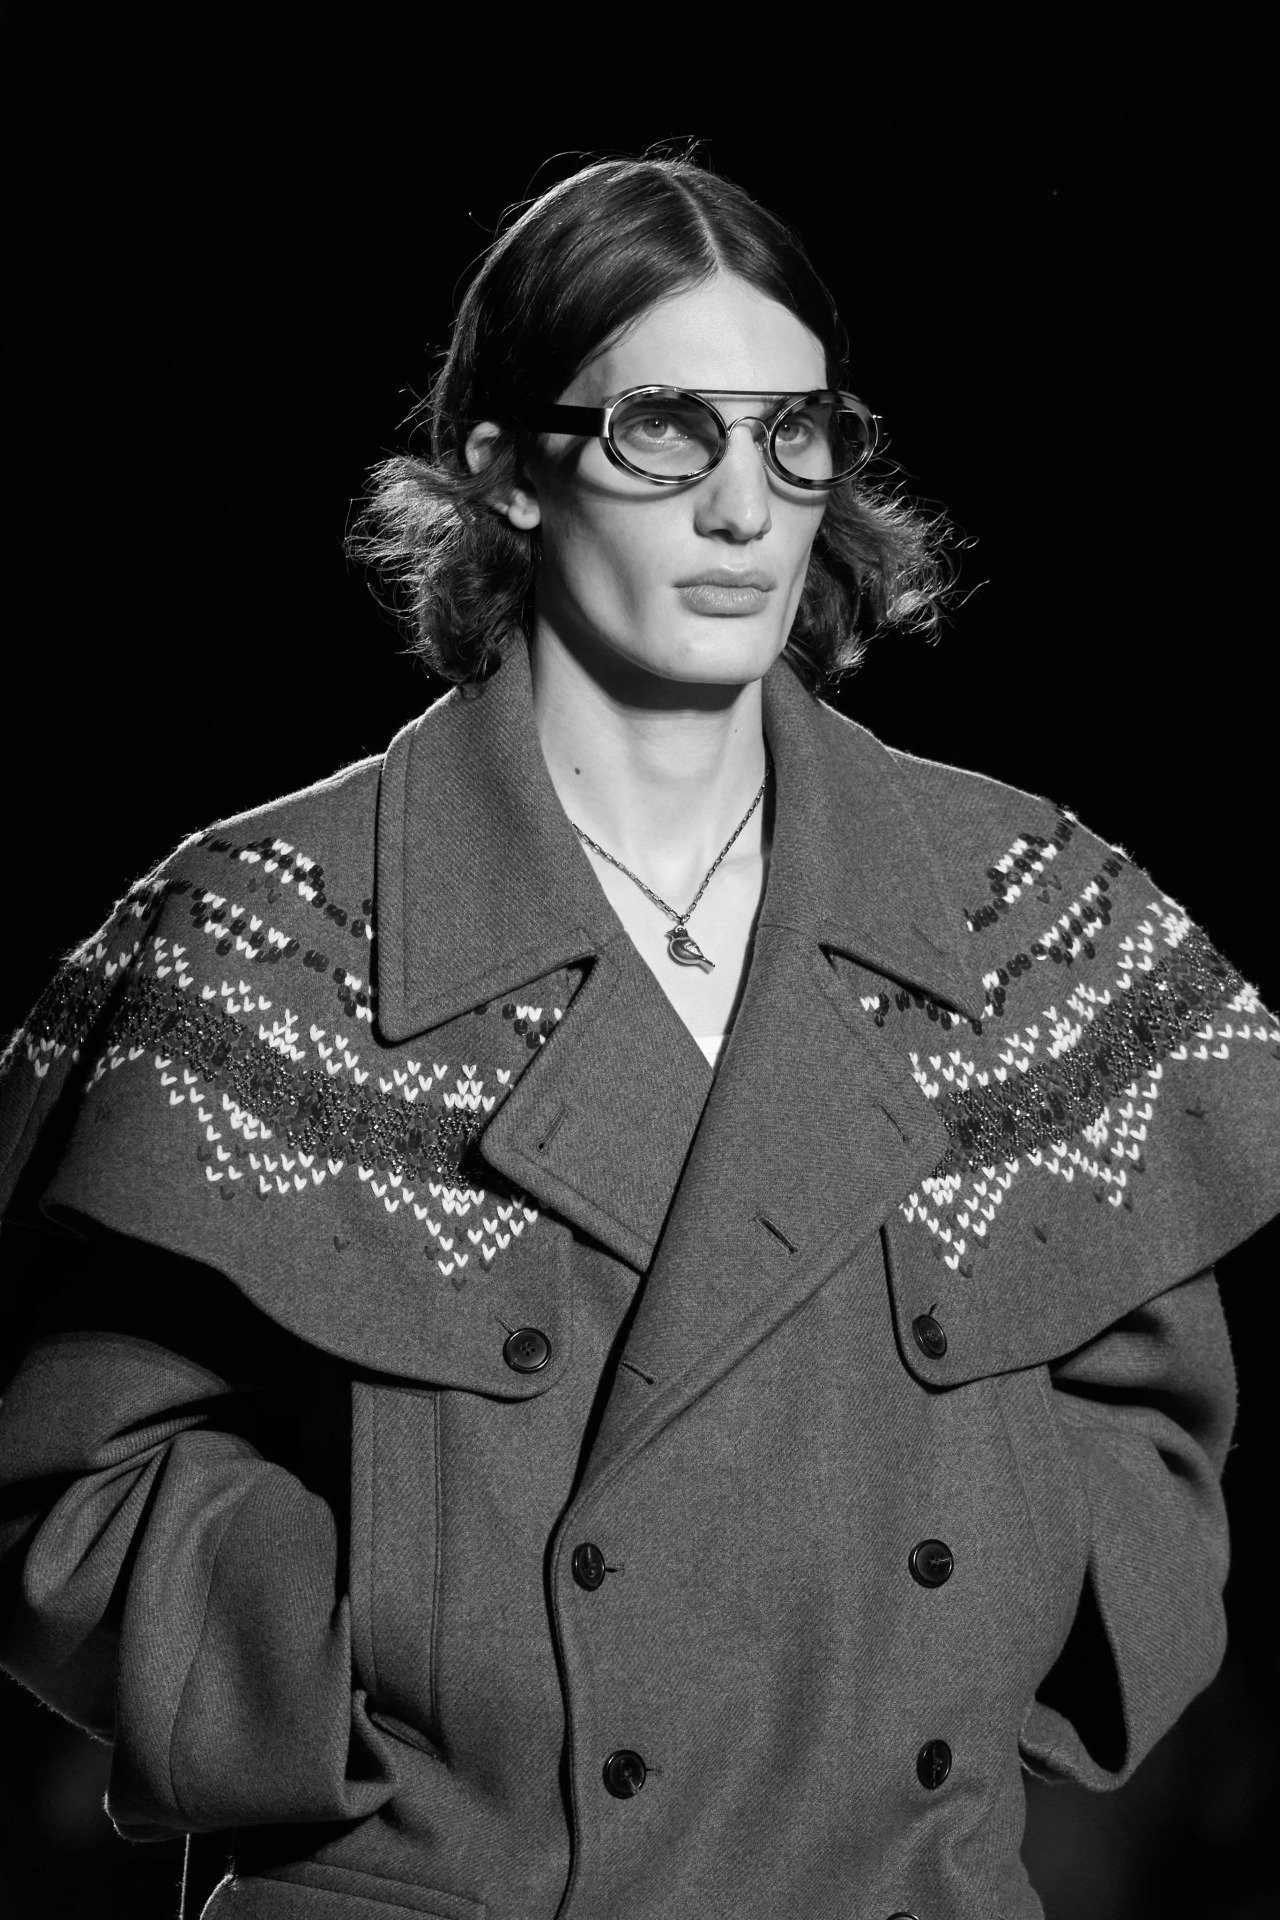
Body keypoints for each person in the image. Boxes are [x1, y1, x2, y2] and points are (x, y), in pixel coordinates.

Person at [1, 152, 1277, 1920]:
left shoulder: (1024, 920)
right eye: (664, 430)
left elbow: (1158, 1421)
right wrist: (396, 1670)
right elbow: (67, 1473)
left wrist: (970, 1632)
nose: (744, 507)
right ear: (505, 469)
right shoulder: (276, 935)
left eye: (794, 433)